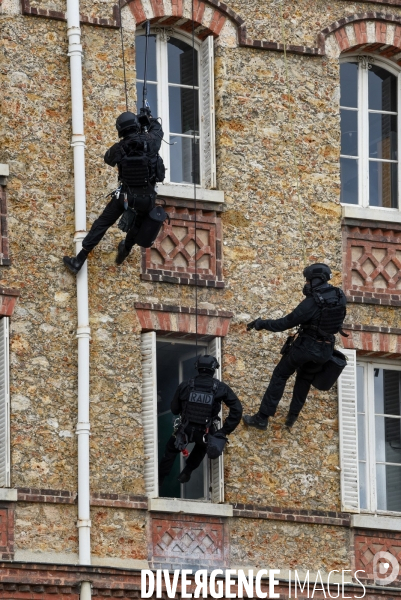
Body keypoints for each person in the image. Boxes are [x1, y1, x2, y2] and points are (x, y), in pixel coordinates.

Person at [243, 263, 347, 431]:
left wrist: (261, 323)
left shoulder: (312, 302)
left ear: (316, 280)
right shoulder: (339, 295)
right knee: (304, 378)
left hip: (307, 346)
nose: (306, 284)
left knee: (280, 375)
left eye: (308, 280)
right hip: (326, 349)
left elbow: (284, 323)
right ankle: (292, 417)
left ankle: (262, 418)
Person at [63, 111, 165, 274]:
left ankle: (79, 259)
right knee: (138, 223)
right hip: (147, 198)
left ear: (121, 130)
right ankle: (126, 248)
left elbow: (107, 159)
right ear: (136, 126)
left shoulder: (120, 148)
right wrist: (148, 119)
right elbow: (158, 129)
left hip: (126, 197)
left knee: (102, 223)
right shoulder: (152, 142)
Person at [158, 355, 243, 488]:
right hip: (205, 430)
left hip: (185, 429)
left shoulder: (185, 385)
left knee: (170, 449)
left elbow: (174, 410)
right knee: (202, 447)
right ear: (214, 369)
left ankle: (160, 479)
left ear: (197, 368)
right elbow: (237, 410)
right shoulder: (220, 387)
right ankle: (188, 471)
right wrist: (223, 431)